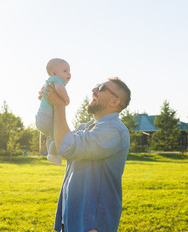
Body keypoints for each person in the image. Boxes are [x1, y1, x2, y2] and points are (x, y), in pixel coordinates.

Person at [42, 77, 131, 232]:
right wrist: (46, 108)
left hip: (92, 224)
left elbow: (67, 146)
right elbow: (56, 144)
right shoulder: (86, 127)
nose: (94, 89)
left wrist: (59, 105)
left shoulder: (114, 130)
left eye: (102, 87)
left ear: (115, 101)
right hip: (71, 219)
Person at [36, 58, 71, 165]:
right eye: (65, 71)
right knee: (58, 136)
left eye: (69, 71)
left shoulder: (49, 81)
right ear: (54, 73)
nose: (68, 74)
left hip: (41, 116)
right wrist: (66, 100)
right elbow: (60, 88)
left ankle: (47, 149)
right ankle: (52, 155)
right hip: (47, 117)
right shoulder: (57, 80)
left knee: (51, 136)